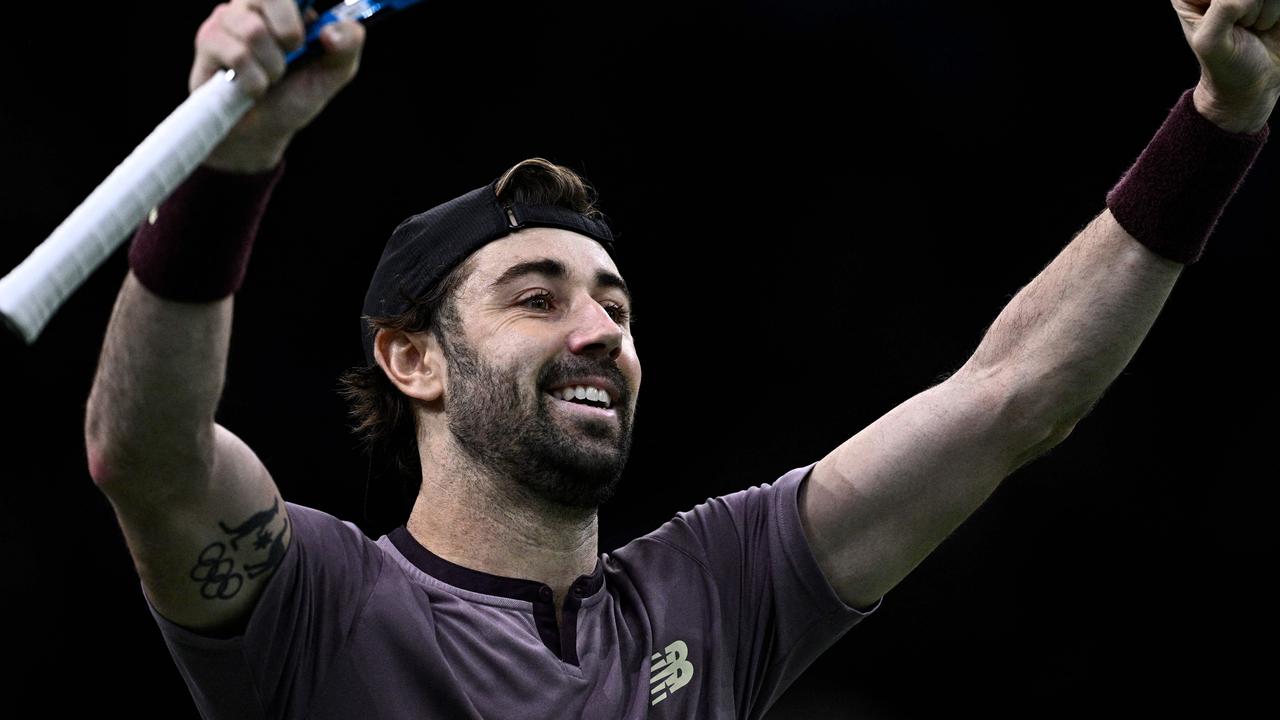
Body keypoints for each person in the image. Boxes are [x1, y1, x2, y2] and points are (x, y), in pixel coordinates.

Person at [83, 1, 1276, 718]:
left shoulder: (715, 592)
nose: (599, 331)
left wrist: (1217, 124)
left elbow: (1012, 395)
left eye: (613, 301)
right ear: (410, 360)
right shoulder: (319, 608)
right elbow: (145, 453)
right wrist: (235, 167)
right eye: (534, 298)